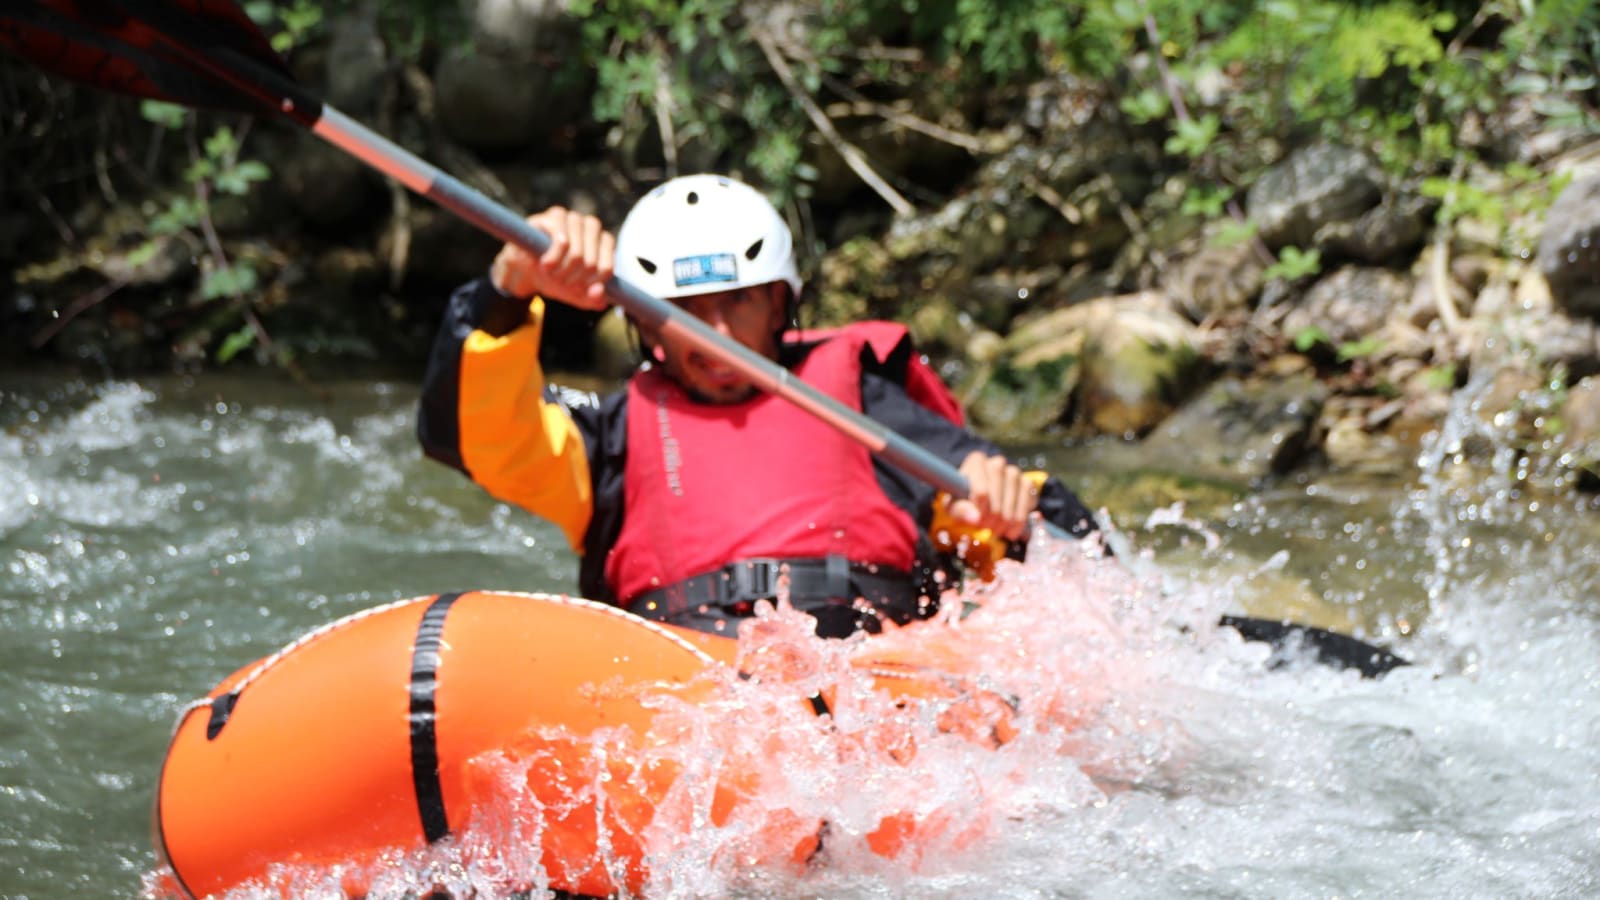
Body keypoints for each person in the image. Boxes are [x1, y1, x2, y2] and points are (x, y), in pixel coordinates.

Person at [418, 174, 1097, 638]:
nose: (717, 333)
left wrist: (1002, 517)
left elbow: (997, 512)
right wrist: (508, 290)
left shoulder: (865, 404)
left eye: (738, 300)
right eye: (685, 310)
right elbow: (476, 436)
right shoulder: (605, 443)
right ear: (645, 323)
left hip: (867, 673)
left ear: (780, 303)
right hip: (689, 693)